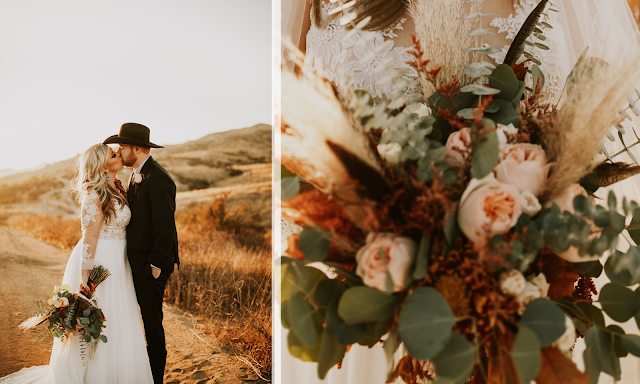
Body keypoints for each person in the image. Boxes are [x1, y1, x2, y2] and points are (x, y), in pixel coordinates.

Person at [280, 0, 640, 383]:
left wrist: (522, 281)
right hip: (377, 325)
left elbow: (594, 152)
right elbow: (289, 165)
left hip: (521, 328)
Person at [0, 142, 154, 383]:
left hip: (119, 260)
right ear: (104, 165)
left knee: (119, 315)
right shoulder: (95, 194)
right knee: (102, 316)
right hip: (100, 261)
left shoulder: (117, 187)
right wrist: (85, 274)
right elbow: (90, 236)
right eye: (114, 154)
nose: (119, 155)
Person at [103, 122, 180, 384]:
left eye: (122, 147)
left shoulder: (159, 179)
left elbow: (164, 226)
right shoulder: (137, 175)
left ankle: (155, 377)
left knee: (152, 323)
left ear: (136, 148)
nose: (119, 151)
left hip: (151, 266)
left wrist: (157, 264)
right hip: (136, 263)